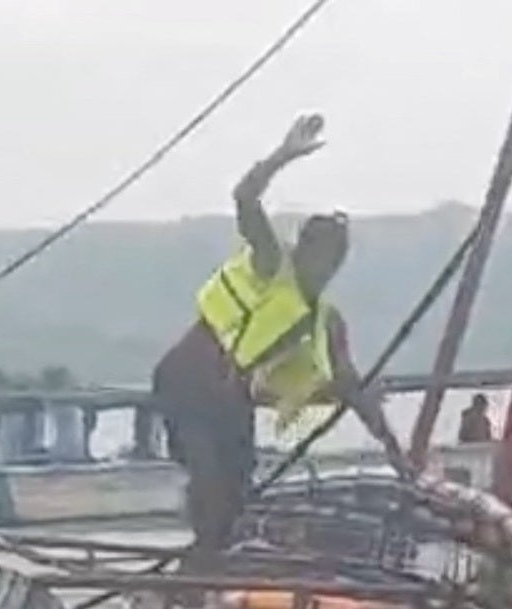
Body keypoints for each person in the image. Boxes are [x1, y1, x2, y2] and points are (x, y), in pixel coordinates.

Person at [152, 114, 412, 558]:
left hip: (230, 401)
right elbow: (245, 198)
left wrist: (398, 456)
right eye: (321, 255)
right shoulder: (272, 264)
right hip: (186, 382)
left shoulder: (326, 323)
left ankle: (214, 567)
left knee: (238, 496)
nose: (327, 267)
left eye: (337, 258)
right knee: (211, 489)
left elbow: (353, 388)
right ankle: (199, 572)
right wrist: (283, 155)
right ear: (303, 249)